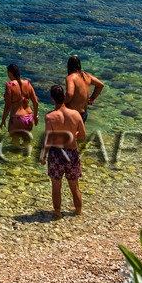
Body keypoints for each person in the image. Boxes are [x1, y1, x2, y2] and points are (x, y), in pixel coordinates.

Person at [42, 84, 85, 218]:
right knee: (74, 185)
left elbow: (48, 139)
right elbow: (83, 136)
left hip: (56, 154)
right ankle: (78, 211)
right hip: (72, 153)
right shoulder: (76, 114)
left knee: (56, 186)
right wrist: (74, 134)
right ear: (65, 96)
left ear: (52, 99)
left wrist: (43, 155)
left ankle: (57, 212)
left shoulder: (50, 117)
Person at [0, 63, 38, 144]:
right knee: (26, 142)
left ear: (9, 73)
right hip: (29, 118)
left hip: (17, 119)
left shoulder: (9, 85)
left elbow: (8, 106)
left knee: (15, 143)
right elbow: (35, 102)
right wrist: (35, 116)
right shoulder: (27, 83)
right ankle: (26, 155)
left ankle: (15, 155)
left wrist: (3, 120)